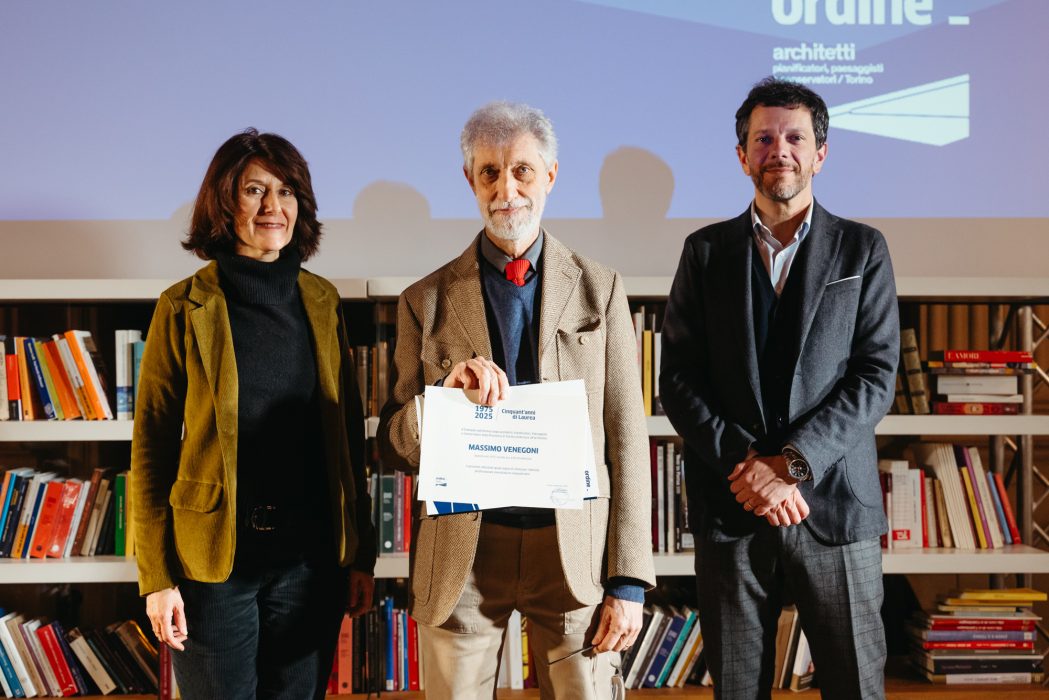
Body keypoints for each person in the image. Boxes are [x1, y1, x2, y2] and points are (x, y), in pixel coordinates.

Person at [377, 101, 655, 699]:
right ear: (470, 181)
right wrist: (440, 402)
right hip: (464, 553)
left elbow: (628, 437)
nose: (506, 189)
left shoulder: (601, 288)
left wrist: (628, 580)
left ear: (550, 175)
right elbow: (396, 444)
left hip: (573, 549)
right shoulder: (424, 301)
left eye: (522, 170)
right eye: (490, 172)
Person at [659, 78, 899, 699]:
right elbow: (678, 379)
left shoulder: (863, 249)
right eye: (763, 139)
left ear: (821, 153)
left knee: (855, 688)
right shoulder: (703, 252)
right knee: (737, 691)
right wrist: (750, 467)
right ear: (743, 156)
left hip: (835, 507)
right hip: (732, 504)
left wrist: (790, 466)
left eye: (795, 138)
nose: (779, 151)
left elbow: (875, 376)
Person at [131, 128, 376, 699]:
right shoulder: (182, 306)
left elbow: (347, 440)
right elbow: (152, 447)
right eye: (254, 190)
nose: (274, 206)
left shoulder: (323, 301)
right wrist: (156, 578)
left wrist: (360, 554)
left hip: (311, 562)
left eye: (287, 191)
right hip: (214, 566)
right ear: (223, 203)